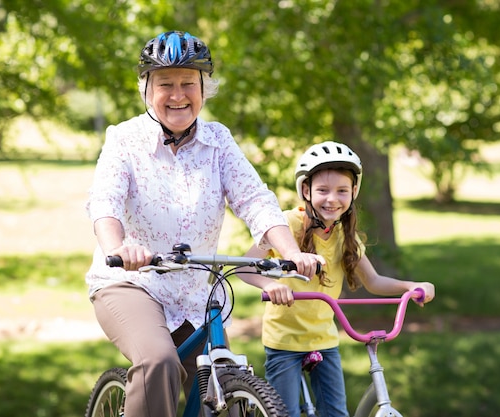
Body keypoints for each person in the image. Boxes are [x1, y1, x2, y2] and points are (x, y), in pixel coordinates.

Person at [84, 30, 322, 417]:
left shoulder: (218, 142)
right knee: (160, 364)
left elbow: (255, 200)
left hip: (196, 293)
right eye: (166, 84)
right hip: (131, 283)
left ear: (203, 88)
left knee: (223, 378)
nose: (178, 95)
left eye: (187, 84)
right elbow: (105, 202)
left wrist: (293, 253)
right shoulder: (124, 140)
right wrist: (117, 249)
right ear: (146, 88)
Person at [241, 141, 436, 417]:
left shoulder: (346, 237)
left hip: (324, 339)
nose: (332, 199)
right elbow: (246, 268)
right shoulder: (286, 226)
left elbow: (373, 281)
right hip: (284, 340)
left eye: (342, 191)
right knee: (282, 413)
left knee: (336, 413)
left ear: (353, 192)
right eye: (323, 190)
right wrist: (270, 285)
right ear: (306, 191)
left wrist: (410, 287)